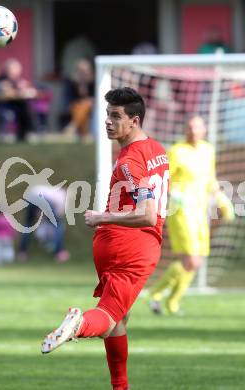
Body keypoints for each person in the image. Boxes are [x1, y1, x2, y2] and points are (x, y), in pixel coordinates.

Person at [41, 87, 169, 390]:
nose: (108, 122)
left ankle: (120, 386)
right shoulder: (155, 150)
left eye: (115, 116)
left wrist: (102, 216)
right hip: (134, 246)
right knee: (109, 315)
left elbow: (146, 212)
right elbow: (150, 215)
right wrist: (105, 217)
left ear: (134, 120)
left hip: (120, 241)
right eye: (107, 115)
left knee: (118, 319)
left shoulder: (130, 159)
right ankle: (79, 325)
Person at [148, 114, 235, 315]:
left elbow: (210, 179)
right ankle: (155, 294)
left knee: (197, 260)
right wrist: (176, 194)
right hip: (181, 210)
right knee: (192, 259)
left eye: (197, 127)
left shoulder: (207, 150)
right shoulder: (177, 151)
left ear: (204, 129)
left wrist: (222, 199)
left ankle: (171, 303)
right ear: (184, 130)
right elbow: (164, 178)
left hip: (200, 210)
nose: (193, 131)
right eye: (189, 127)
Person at [18, 185, 70, 263]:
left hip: (31, 198)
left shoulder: (50, 190)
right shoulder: (62, 194)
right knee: (58, 225)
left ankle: (22, 253)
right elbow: (59, 213)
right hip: (44, 199)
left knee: (27, 225)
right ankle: (60, 252)